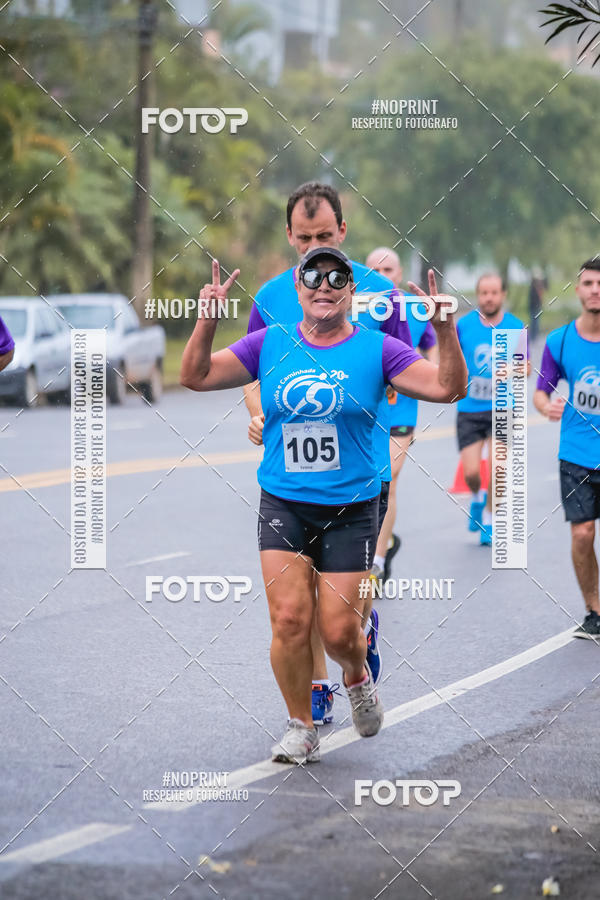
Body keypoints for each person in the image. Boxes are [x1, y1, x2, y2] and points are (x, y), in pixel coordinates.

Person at [180, 250, 467, 763]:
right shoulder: (271, 343)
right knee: (289, 619)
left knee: (338, 631)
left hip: (351, 507)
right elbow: (196, 376)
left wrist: (445, 330)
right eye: (313, 275)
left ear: (350, 289)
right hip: (284, 502)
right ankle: (300, 726)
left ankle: (356, 675)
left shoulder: (379, 351)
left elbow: (448, 388)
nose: (325, 285)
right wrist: (206, 322)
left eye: (337, 277)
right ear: (298, 286)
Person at [243, 182, 412, 726]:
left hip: (363, 468)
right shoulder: (272, 297)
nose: (314, 243)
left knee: (338, 612)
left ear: (343, 231)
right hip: (293, 472)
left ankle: (358, 637)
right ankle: (317, 692)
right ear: (290, 237)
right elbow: (253, 371)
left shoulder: (379, 294)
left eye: (325, 234)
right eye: (304, 237)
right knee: (298, 606)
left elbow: (402, 373)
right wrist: (256, 411)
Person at [534, 259, 600, 639]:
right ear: (577, 290)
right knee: (582, 534)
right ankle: (594, 610)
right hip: (576, 453)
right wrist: (548, 407)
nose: (594, 289)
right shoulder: (559, 340)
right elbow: (541, 393)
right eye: (588, 282)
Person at [365, 247, 438, 581]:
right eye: (373, 270)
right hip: (361, 413)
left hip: (400, 410)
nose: (381, 277)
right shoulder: (350, 310)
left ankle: (377, 562)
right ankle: (384, 542)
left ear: (399, 275)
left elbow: (434, 365)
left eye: (389, 270)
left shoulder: (417, 313)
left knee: (387, 482)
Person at [456, 273, 530, 545]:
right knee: (472, 473)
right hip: (470, 408)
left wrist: (512, 368)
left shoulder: (514, 326)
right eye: (484, 292)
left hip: (502, 408)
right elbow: (451, 359)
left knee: (499, 469)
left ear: (503, 295)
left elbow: (528, 368)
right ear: (478, 295)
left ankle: (488, 519)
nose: (489, 297)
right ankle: (477, 497)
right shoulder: (463, 326)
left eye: (494, 292)